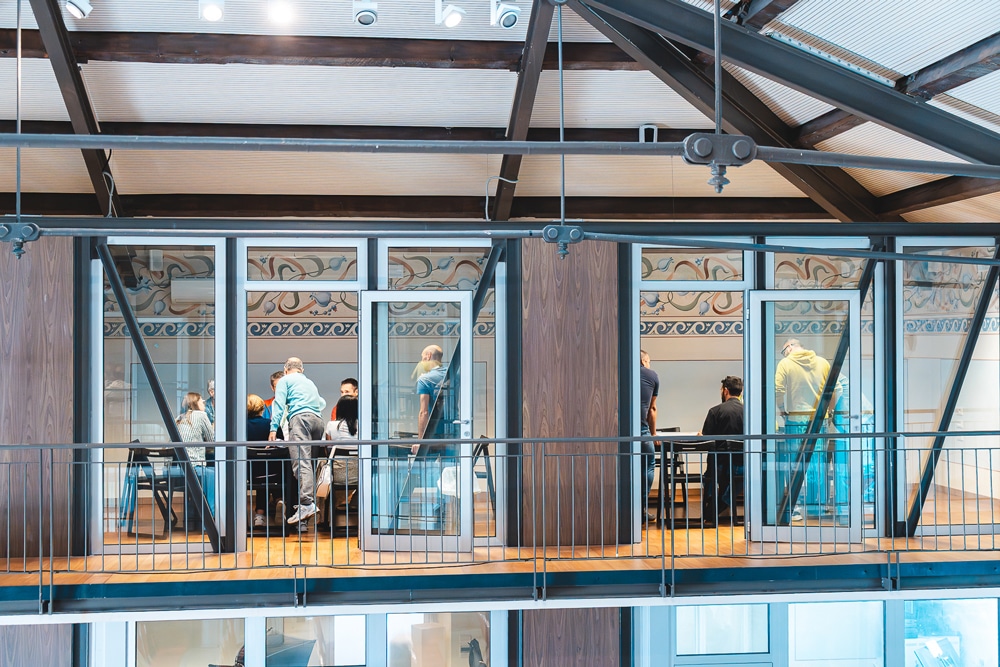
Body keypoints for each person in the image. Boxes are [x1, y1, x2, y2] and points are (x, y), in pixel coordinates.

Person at [774, 338, 835, 520]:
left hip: (795, 420)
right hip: (819, 421)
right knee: (818, 463)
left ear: (789, 347)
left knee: (795, 464)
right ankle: (817, 506)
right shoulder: (823, 363)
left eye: (784, 351)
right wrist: (829, 411)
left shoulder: (785, 364)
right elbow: (834, 389)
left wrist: (782, 409)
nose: (784, 354)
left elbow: (777, 390)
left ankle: (794, 507)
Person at [268, 357, 327, 527]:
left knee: (301, 463)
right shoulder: (309, 382)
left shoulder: (285, 380)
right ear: (302, 370)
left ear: (285, 369)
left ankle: (306, 504)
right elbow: (322, 402)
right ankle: (308, 504)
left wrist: (273, 428)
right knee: (310, 464)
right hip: (318, 420)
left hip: (300, 420)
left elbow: (279, 405)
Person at [699, 376, 745, 525]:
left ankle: (712, 507)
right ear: (740, 392)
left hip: (718, 465)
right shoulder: (749, 412)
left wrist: (701, 436)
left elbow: (706, 440)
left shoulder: (715, 411)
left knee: (709, 476)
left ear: (725, 391)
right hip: (741, 465)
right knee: (737, 478)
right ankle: (723, 502)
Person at [175, 391, 216, 528]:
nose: (203, 401)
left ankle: (193, 518)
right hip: (196, 467)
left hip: (179, 468)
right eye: (200, 400)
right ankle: (209, 520)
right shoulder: (201, 415)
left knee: (209, 475)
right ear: (194, 403)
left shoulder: (179, 418)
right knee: (216, 476)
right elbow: (212, 440)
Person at [639, 350, 659, 515]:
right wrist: (653, 434)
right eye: (649, 361)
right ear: (643, 361)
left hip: (619, 431)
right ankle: (642, 508)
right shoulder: (652, 376)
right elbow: (652, 409)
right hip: (642, 429)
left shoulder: (619, 372)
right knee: (648, 465)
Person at [416, 345, 446, 439]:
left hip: (434, 430)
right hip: (453, 427)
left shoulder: (424, 379)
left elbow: (424, 412)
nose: (422, 362)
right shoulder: (454, 374)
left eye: (422, 358)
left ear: (428, 355)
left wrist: (420, 441)